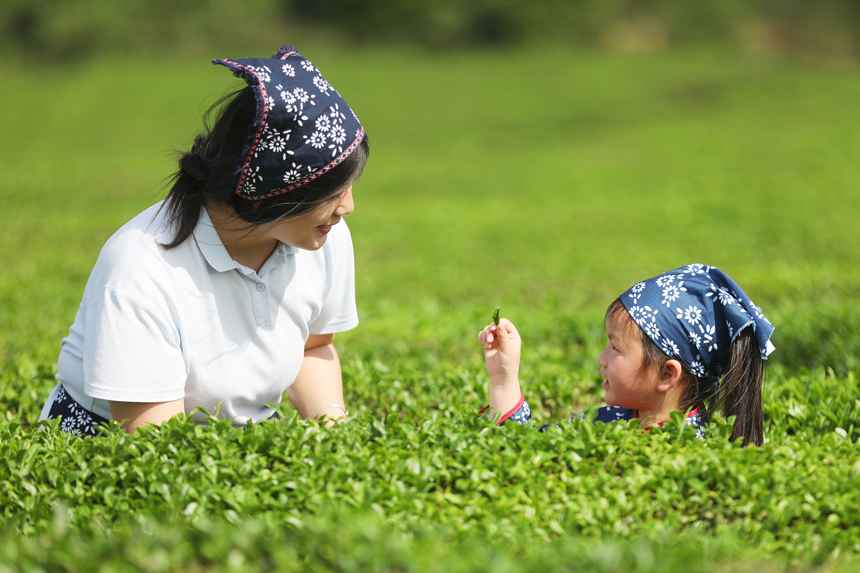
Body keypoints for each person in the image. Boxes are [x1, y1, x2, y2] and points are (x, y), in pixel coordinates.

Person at [38, 45, 369, 436]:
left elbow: (313, 346)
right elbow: (153, 445)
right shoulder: (140, 271)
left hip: (242, 433)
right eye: (332, 191)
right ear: (273, 189)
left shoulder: (322, 235)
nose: (347, 207)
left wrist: (334, 429)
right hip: (119, 444)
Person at [478, 264, 775, 446]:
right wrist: (503, 377)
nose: (601, 358)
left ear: (667, 374)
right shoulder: (601, 421)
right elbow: (519, 447)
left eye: (615, 347)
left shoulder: (692, 455)